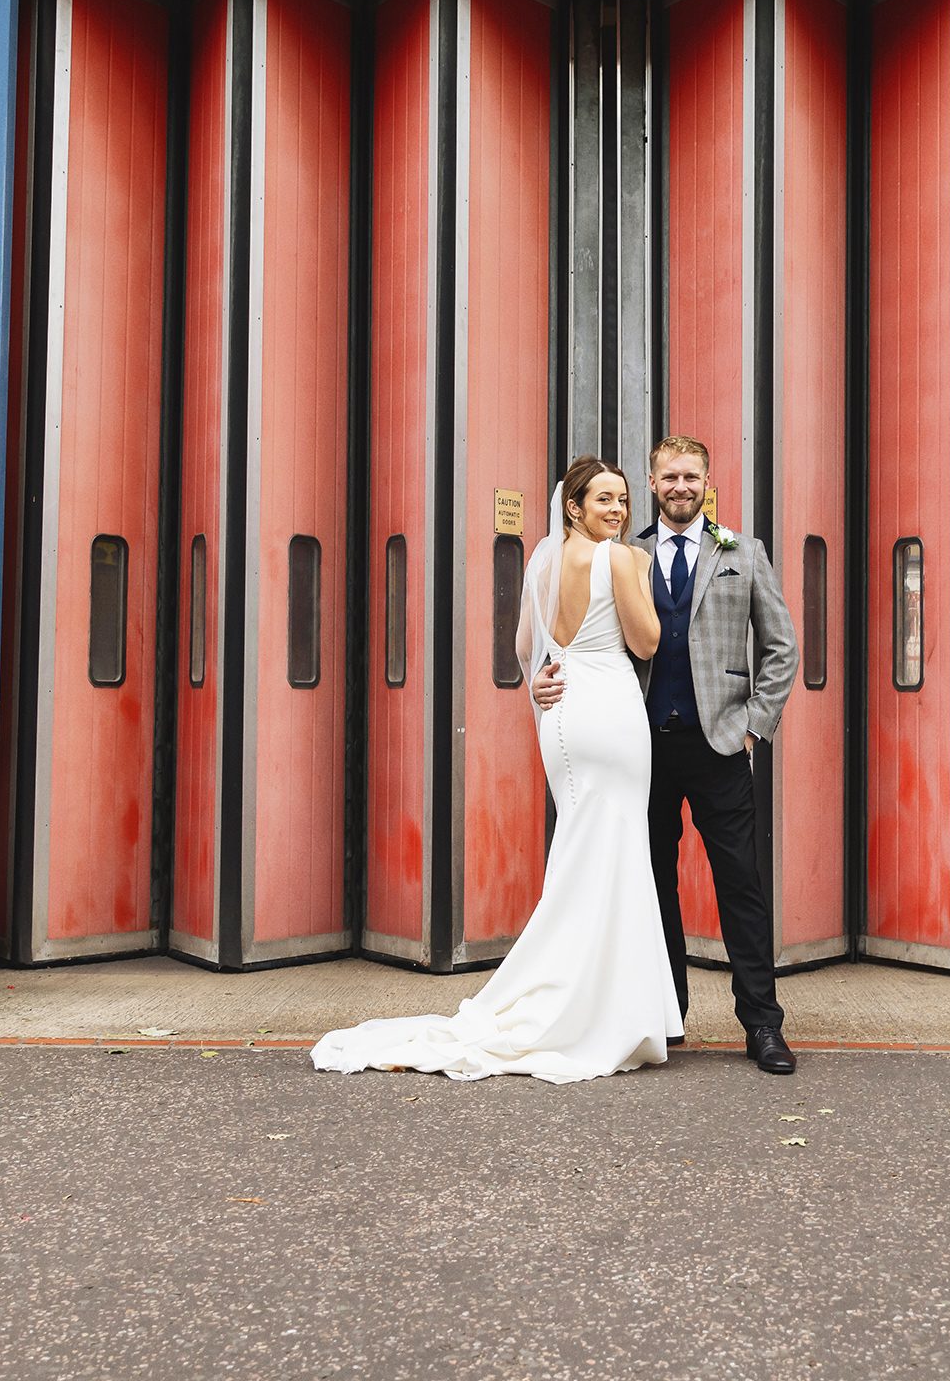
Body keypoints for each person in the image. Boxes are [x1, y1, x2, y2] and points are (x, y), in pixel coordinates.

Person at [311, 458, 682, 1083]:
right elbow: (646, 642)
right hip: (611, 715)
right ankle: (594, 1008)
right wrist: (640, 571)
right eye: (604, 500)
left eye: (622, 499)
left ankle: (584, 994)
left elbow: (521, 652)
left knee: (580, 853)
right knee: (612, 854)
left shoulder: (543, 561)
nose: (618, 511)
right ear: (575, 507)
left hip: (561, 714)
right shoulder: (619, 559)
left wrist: (543, 675)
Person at [532, 435, 802, 1074]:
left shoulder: (745, 553)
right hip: (642, 747)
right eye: (668, 477)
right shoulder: (624, 552)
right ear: (652, 485)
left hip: (720, 747)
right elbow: (574, 635)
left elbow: (781, 648)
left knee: (741, 885)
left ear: (707, 483)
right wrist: (546, 677)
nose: (680, 487)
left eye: (691, 477)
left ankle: (762, 1025)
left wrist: (755, 727)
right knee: (653, 885)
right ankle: (666, 1011)